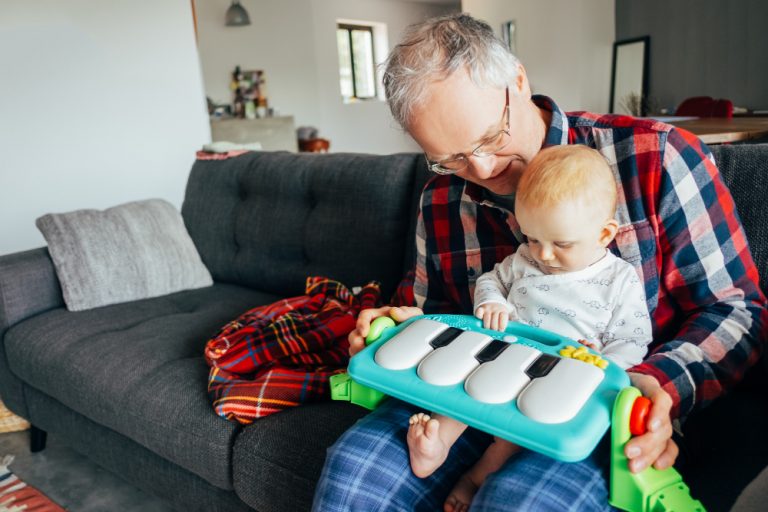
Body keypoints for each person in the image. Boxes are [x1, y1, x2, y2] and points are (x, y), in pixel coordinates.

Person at [312, 13, 767, 512]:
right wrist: (399, 326)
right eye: (452, 158)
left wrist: (653, 386)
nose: (481, 170)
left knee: (517, 501)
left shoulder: (655, 157)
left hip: (597, 402)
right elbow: (434, 312)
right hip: (473, 388)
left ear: (518, 81)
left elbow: (737, 310)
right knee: (354, 472)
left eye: (489, 138)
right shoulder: (439, 199)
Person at [407, 144, 653, 510]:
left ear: (605, 234)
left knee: (515, 438)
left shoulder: (619, 280)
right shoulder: (524, 260)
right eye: (533, 238)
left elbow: (633, 340)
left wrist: (601, 365)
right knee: (464, 386)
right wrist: (491, 301)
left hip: (561, 376)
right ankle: (438, 440)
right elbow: (492, 280)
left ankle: (476, 479)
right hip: (504, 355)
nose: (544, 254)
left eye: (561, 243)